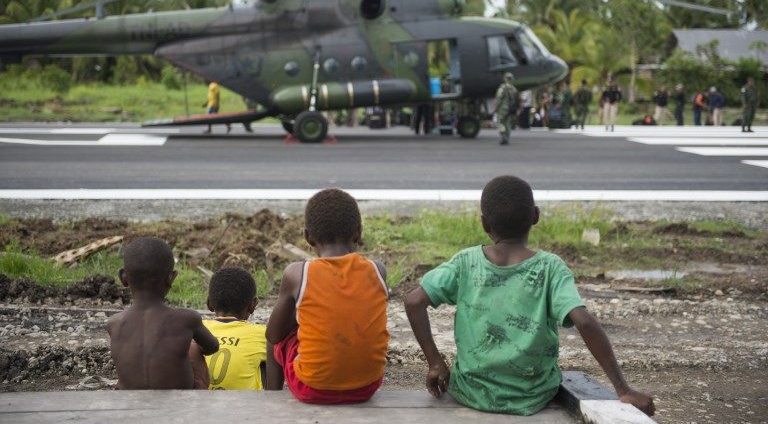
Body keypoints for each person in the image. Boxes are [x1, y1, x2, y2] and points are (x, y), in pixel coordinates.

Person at [404, 175, 655, 417]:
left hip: (471, 393)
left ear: (484, 224)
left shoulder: (465, 263)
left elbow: (413, 301)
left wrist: (435, 362)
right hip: (533, 396)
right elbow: (585, 322)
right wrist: (623, 389)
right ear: (535, 216)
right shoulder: (550, 268)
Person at [265, 188, 389, 404]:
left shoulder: (297, 273)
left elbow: (274, 335)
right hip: (367, 386)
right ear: (359, 232)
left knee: (279, 336)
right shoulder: (377, 270)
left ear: (307, 236)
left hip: (312, 388)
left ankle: (270, 398)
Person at [107, 237, 219, 389]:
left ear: (123, 277)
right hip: (179, 403)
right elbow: (212, 347)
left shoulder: (114, 324)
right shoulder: (187, 319)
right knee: (193, 350)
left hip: (131, 403)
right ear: (171, 278)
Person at [190, 267, 268, 390]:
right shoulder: (263, 334)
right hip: (245, 402)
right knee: (270, 356)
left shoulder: (196, 329)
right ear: (253, 305)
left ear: (209, 304)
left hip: (199, 399)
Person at [494, 72, 519, 145]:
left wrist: (496, 108)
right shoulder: (514, 89)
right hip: (510, 108)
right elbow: (517, 99)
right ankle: (507, 138)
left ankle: (503, 136)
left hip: (502, 108)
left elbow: (499, 98)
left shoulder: (502, 88)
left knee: (500, 122)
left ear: (505, 79)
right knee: (508, 123)